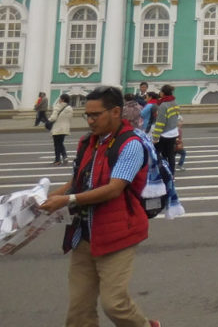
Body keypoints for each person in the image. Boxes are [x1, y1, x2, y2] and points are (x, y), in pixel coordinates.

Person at [39, 85, 161, 327]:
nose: (90, 120)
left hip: (117, 233)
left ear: (116, 112)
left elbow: (115, 188)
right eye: (87, 115)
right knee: (78, 311)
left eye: (96, 115)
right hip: (83, 234)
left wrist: (68, 200)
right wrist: (46, 198)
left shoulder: (131, 144)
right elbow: (79, 179)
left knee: (115, 304)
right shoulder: (88, 141)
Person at [151, 84, 180, 175]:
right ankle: (171, 174)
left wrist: (155, 137)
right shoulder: (174, 102)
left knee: (157, 154)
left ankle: (161, 173)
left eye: (160, 91)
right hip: (173, 132)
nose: (159, 93)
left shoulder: (163, 105)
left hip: (165, 134)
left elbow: (160, 123)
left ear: (163, 93)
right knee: (170, 155)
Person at [48, 93, 73, 165]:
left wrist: (48, 120)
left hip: (57, 128)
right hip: (65, 128)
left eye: (60, 98)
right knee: (60, 143)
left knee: (57, 145)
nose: (59, 100)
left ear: (63, 99)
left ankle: (57, 160)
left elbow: (53, 118)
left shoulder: (58, 106)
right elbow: (70, 118)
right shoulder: (70, 108)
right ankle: (65, 156)